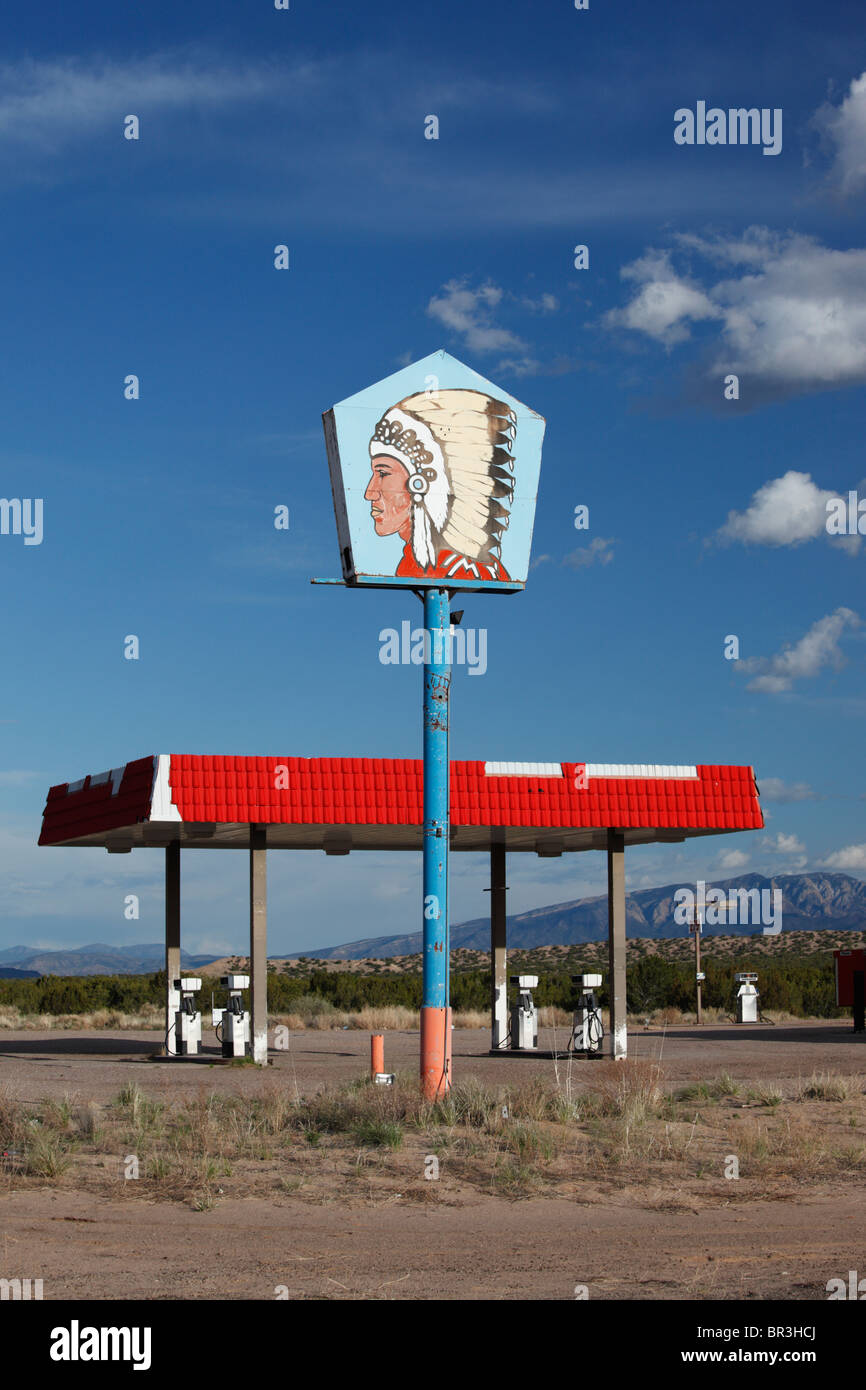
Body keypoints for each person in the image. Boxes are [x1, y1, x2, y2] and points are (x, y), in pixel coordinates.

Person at [364, 388, 516, 581]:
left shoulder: (454, 569)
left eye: (383, 473)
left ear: (421, 484)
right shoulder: (423, 565)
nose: (369, 493)